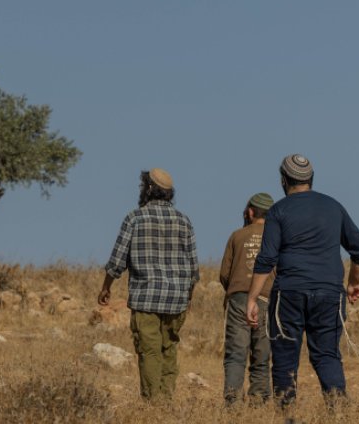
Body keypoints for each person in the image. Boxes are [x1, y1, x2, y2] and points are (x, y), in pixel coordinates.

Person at [246, 154, 359, 409]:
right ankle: (341, 413)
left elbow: (267, 258)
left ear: (283, 180)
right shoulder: (334, 207)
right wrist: (354, 283)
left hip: (288, 293)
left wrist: (252, 298)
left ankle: (287, 414)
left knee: (285, 359)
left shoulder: (278, 210)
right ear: (311, 179)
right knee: (327, 356)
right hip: (329, 293)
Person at [98, 168, 199, 401]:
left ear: (149, 189)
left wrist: (106, 287)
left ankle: (154, 404)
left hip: (146, 297)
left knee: (149, 350)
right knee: (169, 348)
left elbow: (117, 261)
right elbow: (193, 268)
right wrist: (188, 298)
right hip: (176, 299)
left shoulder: (134, 218)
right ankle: (165, 399)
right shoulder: (184, 221)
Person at [219, 192, 275, 405]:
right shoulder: (275, 236)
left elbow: (224, 273)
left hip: (239, 299)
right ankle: (259, 400)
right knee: (262, 355)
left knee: (236, 354)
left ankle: (232, 402)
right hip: (265, 299)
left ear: (250, 212)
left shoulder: (237, 236)